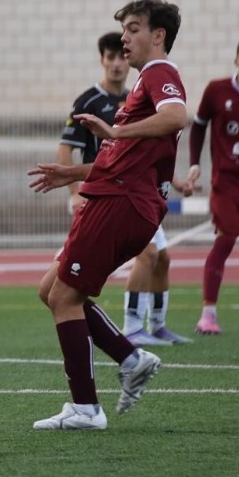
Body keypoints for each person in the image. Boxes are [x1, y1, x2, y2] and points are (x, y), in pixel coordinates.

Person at [28, 0, 185, 430]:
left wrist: (116, 129)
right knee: (51, 289)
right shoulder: (143, 83)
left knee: (63, 296)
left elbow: (177, 117)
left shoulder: (160, 73)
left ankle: (85, 409)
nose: (125, 38)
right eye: (124, 29)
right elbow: (126, 155)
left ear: (158, 35)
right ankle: (131, 358)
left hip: (121, 203)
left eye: (133, 28)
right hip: (118, 198)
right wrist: (72, 173)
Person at [58, 32, 189, 347]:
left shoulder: (141, 94)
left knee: (161, 258)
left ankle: (153, 327)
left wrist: (177, 181)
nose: (118, 62)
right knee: (146, 255)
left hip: (135, 192)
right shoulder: (88, 100)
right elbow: (67, 148)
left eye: (121, 55)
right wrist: (74, 190)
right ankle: (132, 330)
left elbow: (145, 152)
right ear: (102, 59)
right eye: (111, 56)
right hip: (108, 196)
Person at [180, 34, 239, 335]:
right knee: (225, 240)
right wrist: (195, 165)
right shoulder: (216, 91)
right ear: (236, 59)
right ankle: (208, 315)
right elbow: (198, 127)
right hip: (228, 184)